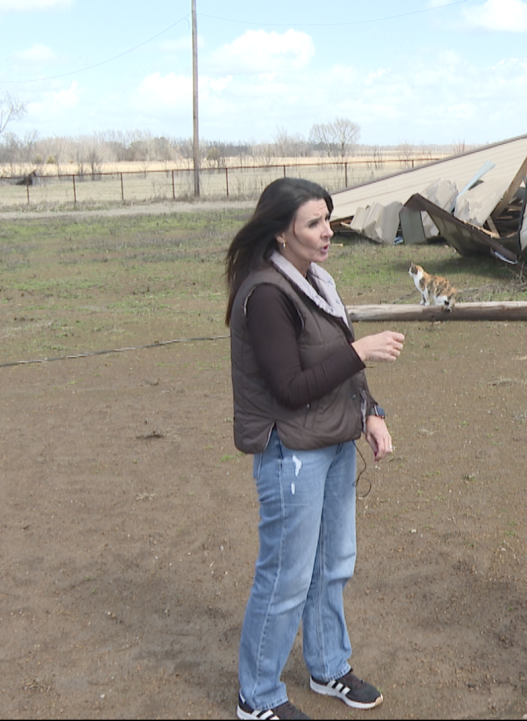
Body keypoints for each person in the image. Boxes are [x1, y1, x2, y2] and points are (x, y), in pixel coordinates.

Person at [225, 177, 405, 720]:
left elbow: (333, 360)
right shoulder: (265, 295)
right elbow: (290, 388)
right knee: (286, 576)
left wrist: (370, 412)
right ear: (281, 234)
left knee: (333, 564)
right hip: (292, 454)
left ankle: (328, 667)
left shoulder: (316, 281)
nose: (328, 231)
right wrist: (361, 351)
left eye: (328, 219)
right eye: (314, 223)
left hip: (332, 444)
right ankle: (256, 697)